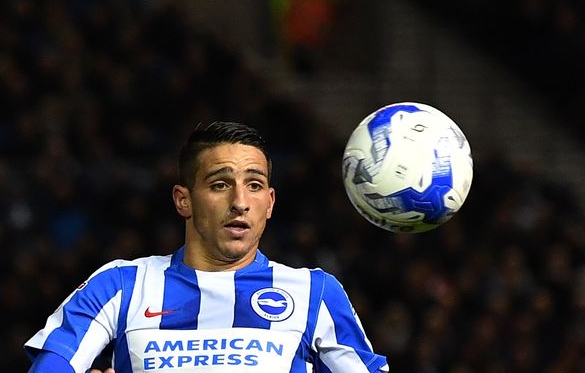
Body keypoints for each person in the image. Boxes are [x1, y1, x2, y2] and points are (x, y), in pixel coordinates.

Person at [25, 121, 389, 372]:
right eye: (219, 185)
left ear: (271, 202)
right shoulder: (121, 285)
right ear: (184, 200)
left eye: (255, 184)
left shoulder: (314, 293)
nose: (240, 201)